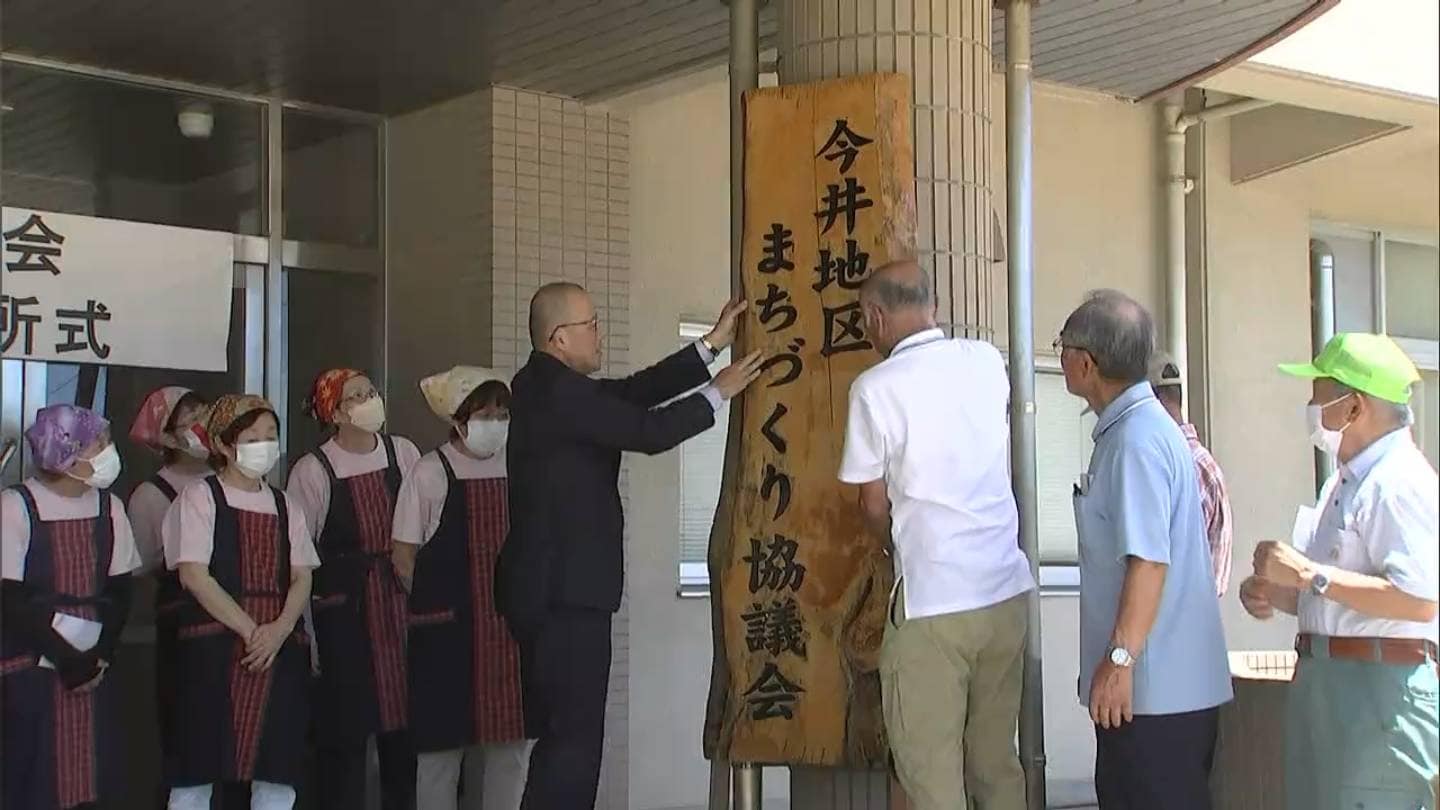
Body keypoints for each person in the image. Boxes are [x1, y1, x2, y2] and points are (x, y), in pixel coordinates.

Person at [496, 282, 762, 809]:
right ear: (558, 338)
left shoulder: (549, 386)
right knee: (572, 745)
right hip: (564, 595)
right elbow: (646, 430)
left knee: (565, 741)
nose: (600, 334)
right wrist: (718, 392)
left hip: (556, 592)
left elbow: (633, 393)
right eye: (590, 325)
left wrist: (708, 347)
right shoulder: (556, 391)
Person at [837, 260, 1034, 810]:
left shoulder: (874, 388)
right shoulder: (985, 362)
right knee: (997, 765)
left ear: (875, 317)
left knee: (931, 774)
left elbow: (870, 500)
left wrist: (891, 544)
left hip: (933, 603)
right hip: (1004, 593)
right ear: (934, 306)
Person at [1240, 333, 1438, 810]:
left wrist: (1310, 576)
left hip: (1378, 689)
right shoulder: (1348, 480)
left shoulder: (1399, 483)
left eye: (1321, 394)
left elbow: (1419, 598)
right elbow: (1342, 596)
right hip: (1330, 681)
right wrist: (1280, 593)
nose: (1312, 406)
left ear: (1356, 407)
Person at [1057, 290, 1231, 810]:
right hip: (1161, 694)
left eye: (1061, 348)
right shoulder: (1138, 430)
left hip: (1155, 699)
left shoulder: (1136, 440)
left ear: (1085, 364)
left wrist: (1118, 660)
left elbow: (1148, 561)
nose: (1061, 356)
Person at [163, 394, 319, 810]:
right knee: (197, 766)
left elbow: (303, 575)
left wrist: (280, 629)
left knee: (277, 768)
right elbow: (194, 574)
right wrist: (253, 633)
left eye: (271, 435)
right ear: (224, 445)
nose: (265, 445)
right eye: (253, 437)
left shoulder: (287, 505)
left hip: (280, 649)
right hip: (214, 648)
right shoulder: (200, 497)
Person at [390, 366, 527, 810]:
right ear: (457, 418)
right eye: (485, 414)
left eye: (502, 413)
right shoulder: (429, 473)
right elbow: (403, 556)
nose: (496, 423)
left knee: (510, 750)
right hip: (446, 634)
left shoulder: (521, 465)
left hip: (510, 630)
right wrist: (433, 604)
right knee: (440, 755)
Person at [288, 369, 422, 810]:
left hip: (402, 602)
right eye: (356, 396)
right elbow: (299, 556)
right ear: (336, 413)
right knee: (345, 734)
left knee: (406, 733)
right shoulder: (313, 470)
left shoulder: (402, 453)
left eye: (371, 391)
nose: (369, 400)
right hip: (345, 613)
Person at [1, 404, 139, 810]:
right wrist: (68, 659)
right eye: (99, 443)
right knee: (31, 778)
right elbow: (9, 597)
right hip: (29, 668)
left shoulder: (109, 507)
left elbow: (120, 589)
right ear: (67, 450)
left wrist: (99, 656)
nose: (107, 451)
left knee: (92, 778)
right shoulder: (15, 506)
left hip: (93, 667)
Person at [126, 386, 213, 780]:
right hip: (181, 628)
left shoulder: (236, 481)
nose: (203, 424)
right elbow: (139, 570)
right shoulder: (149, 495)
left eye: (206, 413)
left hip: (240, 629)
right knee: (185, 736)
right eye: (191, 416)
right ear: (166, 433)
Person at [1148, 353, 1233, 596]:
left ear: (1152, 401)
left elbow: (1158, 570)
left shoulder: (1184, 467)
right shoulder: (1194, 461)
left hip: (1180, 623)